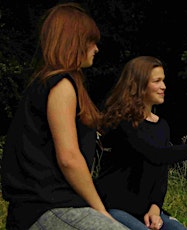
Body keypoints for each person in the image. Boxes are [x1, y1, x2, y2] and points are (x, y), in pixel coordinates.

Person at [0, 3, 130, 230]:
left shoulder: (49, 84)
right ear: (74, 41)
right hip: (46, 209)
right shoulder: (61, 85)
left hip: (47, 208)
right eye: (91, 41)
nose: (96, 49)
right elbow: (69, 158)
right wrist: (100, 211)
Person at [94, 56, 187, 230]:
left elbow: (161, 173)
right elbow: (157, 155)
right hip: (113, 208)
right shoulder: (123, 123)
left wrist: (155, 208)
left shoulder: (161, 125)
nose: (164, 86)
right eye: (157, 81)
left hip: (146, 211)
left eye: (163, 80)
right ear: (138, 85)